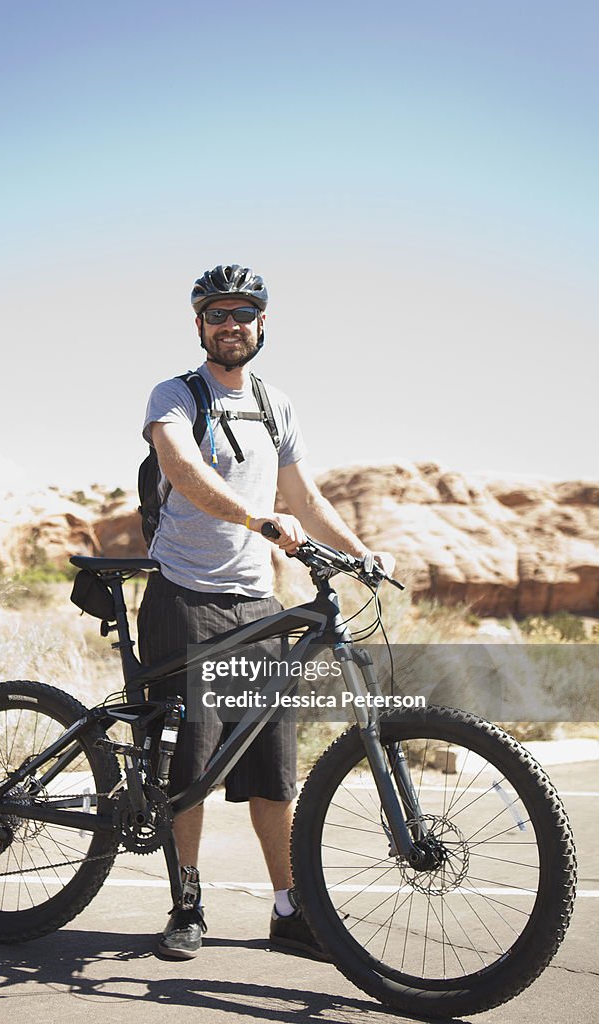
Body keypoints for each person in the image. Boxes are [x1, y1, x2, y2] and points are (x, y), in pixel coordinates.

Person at [137, 263, 395, 960]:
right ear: (199, 326)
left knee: (272, 765)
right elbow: (184, 472)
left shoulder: (276, 403)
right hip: (184, 596)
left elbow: (305, 498)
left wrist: (362, 552)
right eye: (218, 314)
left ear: (260, 325)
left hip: (256, 603)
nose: (231, 325)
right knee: (190, 760)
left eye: (243, 314)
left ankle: (287, 909)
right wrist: (259, 518)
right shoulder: (177, 394)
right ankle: (186, 902)